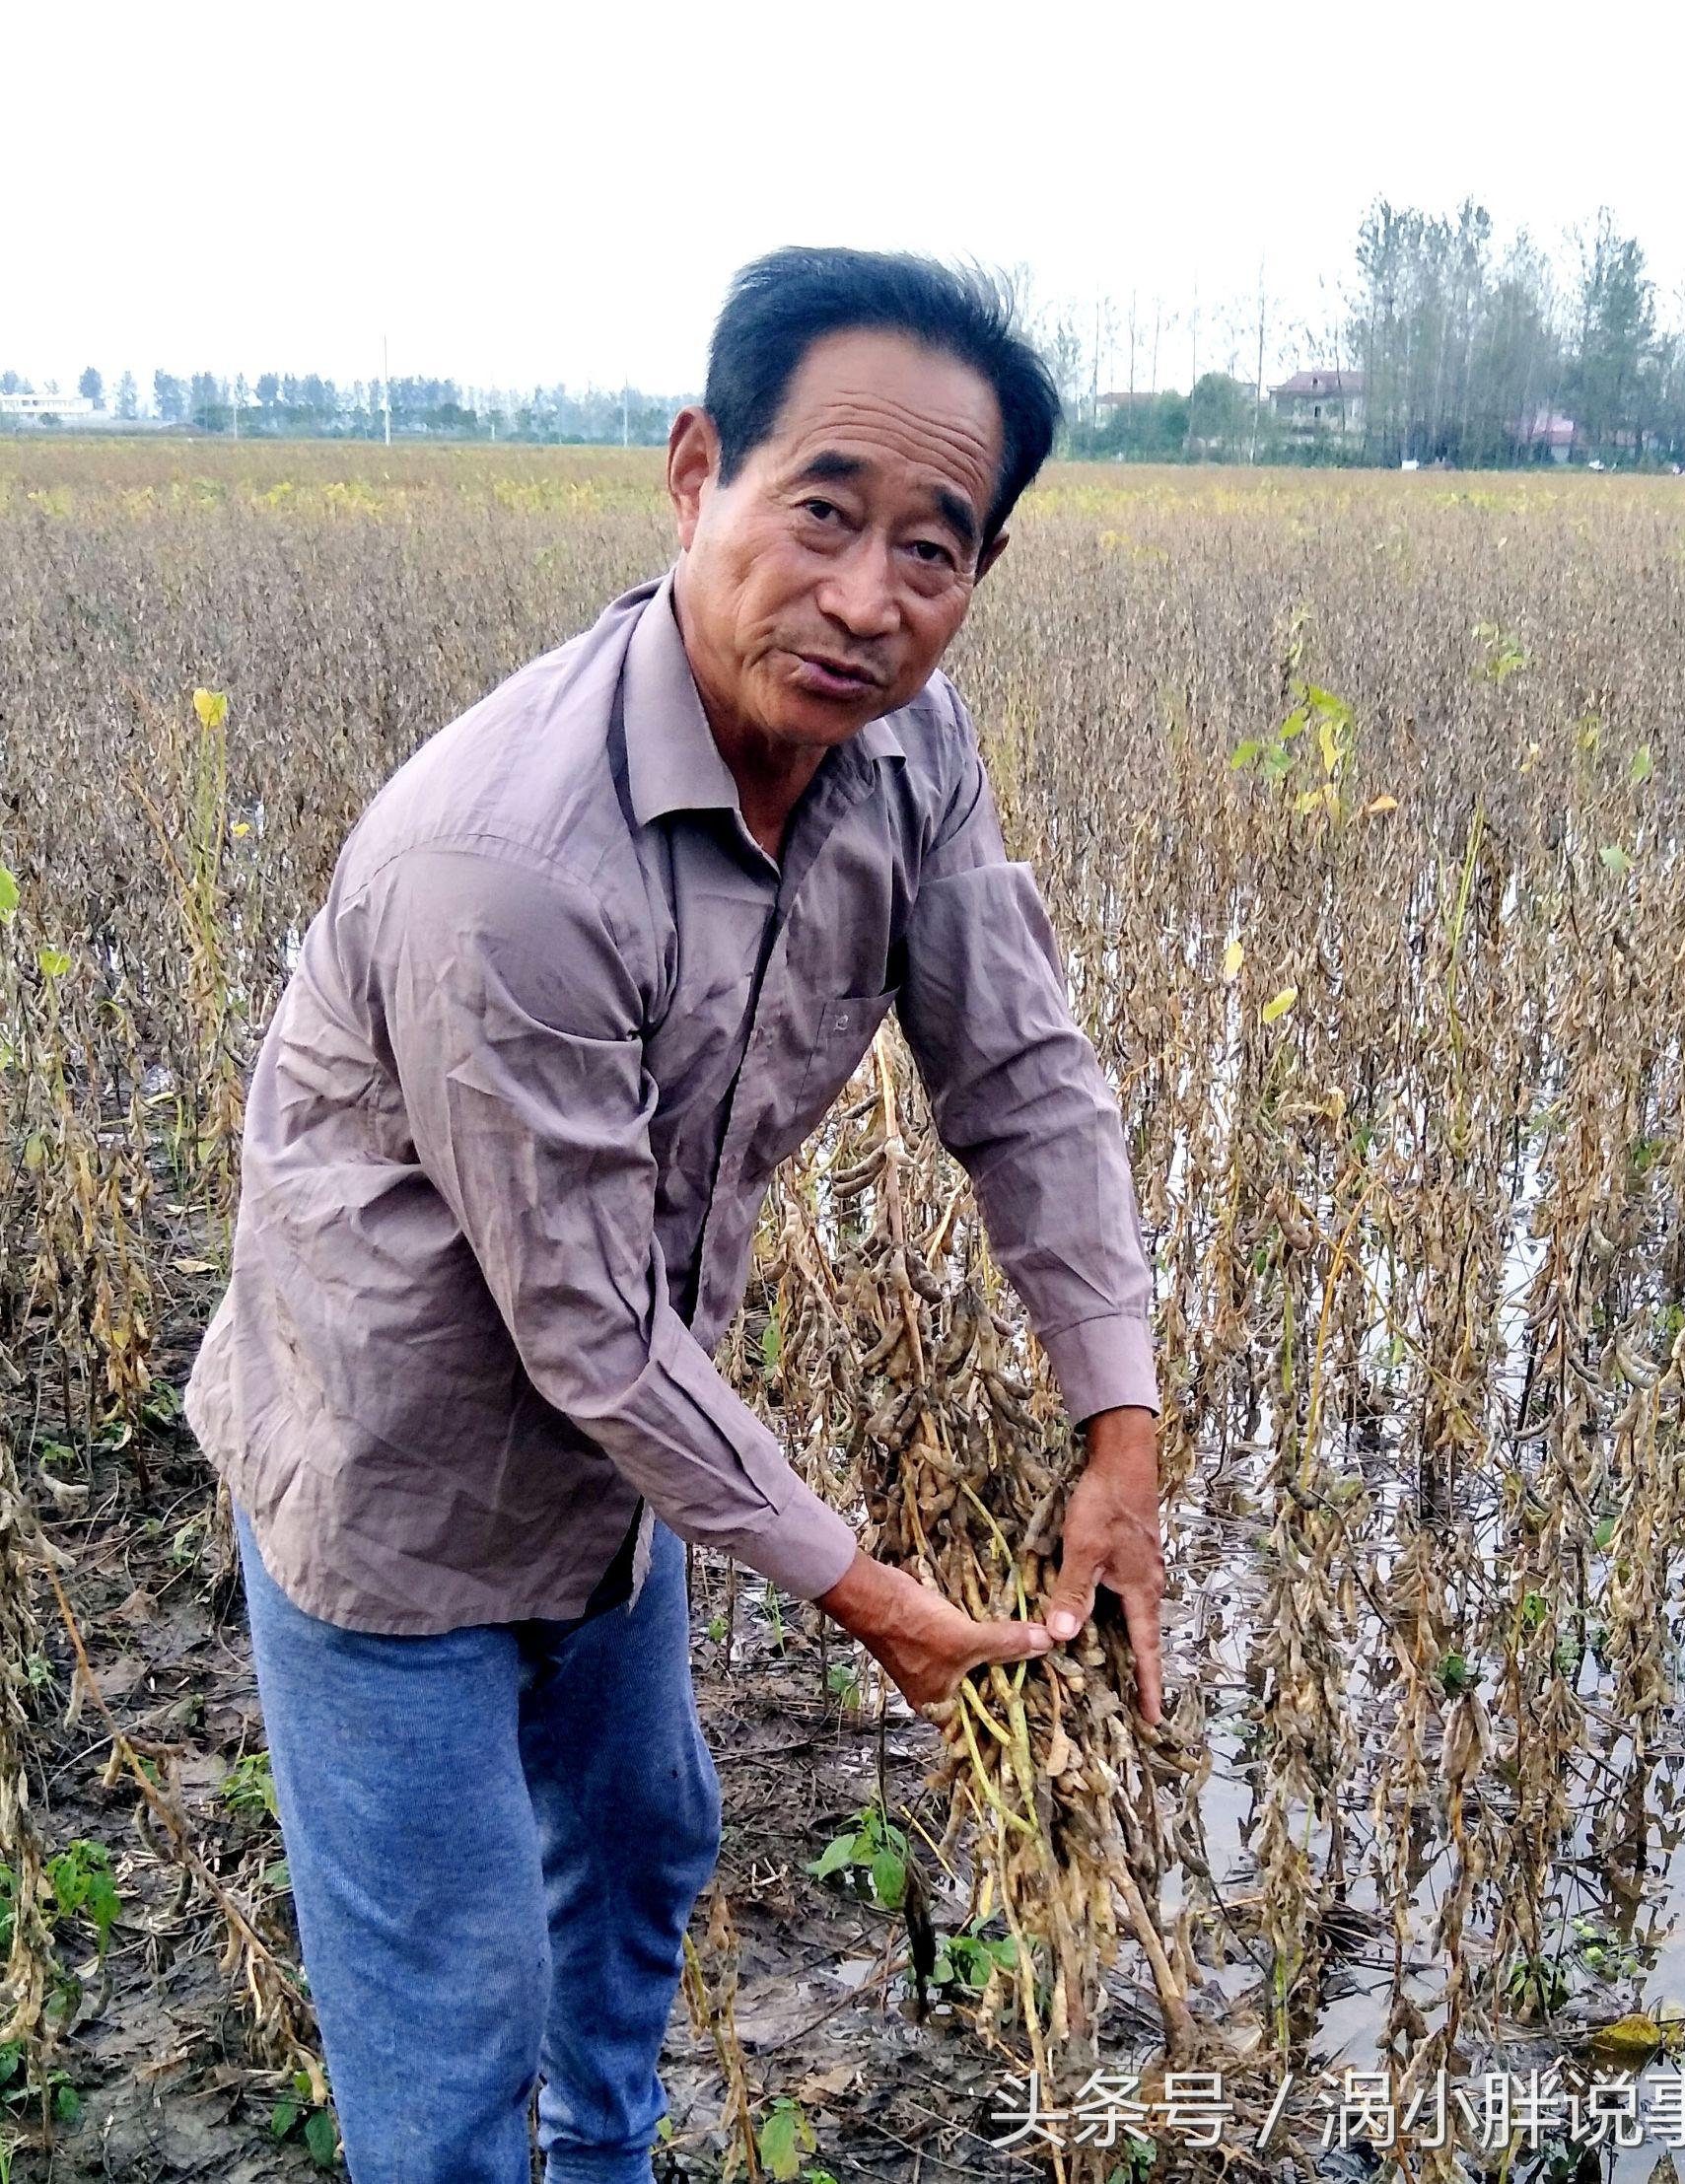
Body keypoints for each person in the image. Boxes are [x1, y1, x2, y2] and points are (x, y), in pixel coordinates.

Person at [184, 245, 1166, 2184]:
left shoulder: (909, 751)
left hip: (625, 1472)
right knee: (448, 2015)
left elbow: (1026, 1075)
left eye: (936, 547)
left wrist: (1117, 1428)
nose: (867, 601)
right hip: (392, 1473)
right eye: (824, 511)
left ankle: (607, 2154)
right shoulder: (510, 859)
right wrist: (866, 1588)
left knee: (646, 1846)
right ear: (698, 469)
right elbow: (589, 1334)